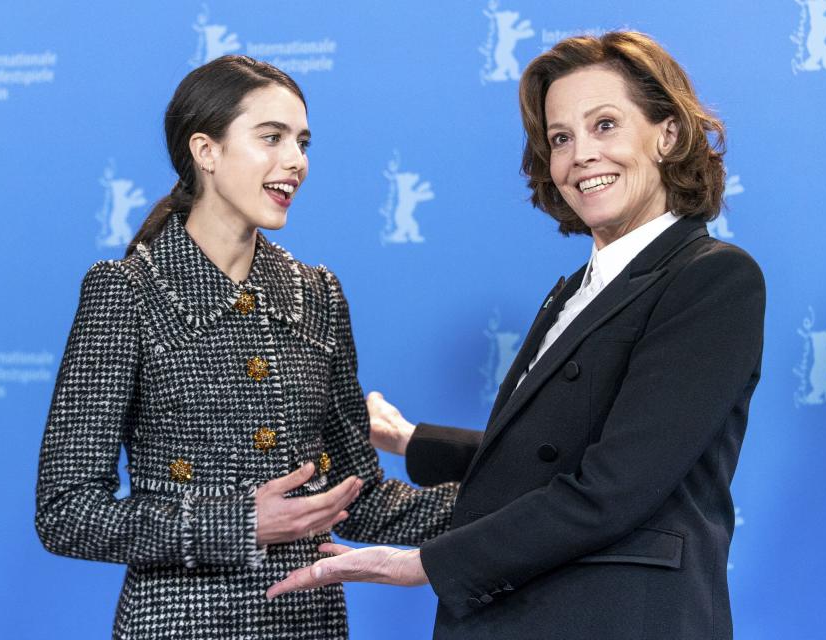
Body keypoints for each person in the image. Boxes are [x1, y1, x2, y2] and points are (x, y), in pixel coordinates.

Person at [267, 31, 766, 640]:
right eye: (561, 138)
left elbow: (615, 485)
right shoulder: (576, 289)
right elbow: (550, 454)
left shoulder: (711, 277)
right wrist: (408, 439)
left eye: (604, 125)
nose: (581, 155)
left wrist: (422, 563)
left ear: (667, 134)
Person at [35, 55, 457, 640]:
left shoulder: (318, 293)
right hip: (179, 626)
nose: (296, 162)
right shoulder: (127, 290)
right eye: (272, 138)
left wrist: (515, 502)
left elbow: (356, 496)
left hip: (310, 624)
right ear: (205, 151)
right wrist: (239, 524)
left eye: (303, 142)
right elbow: (66, 511)